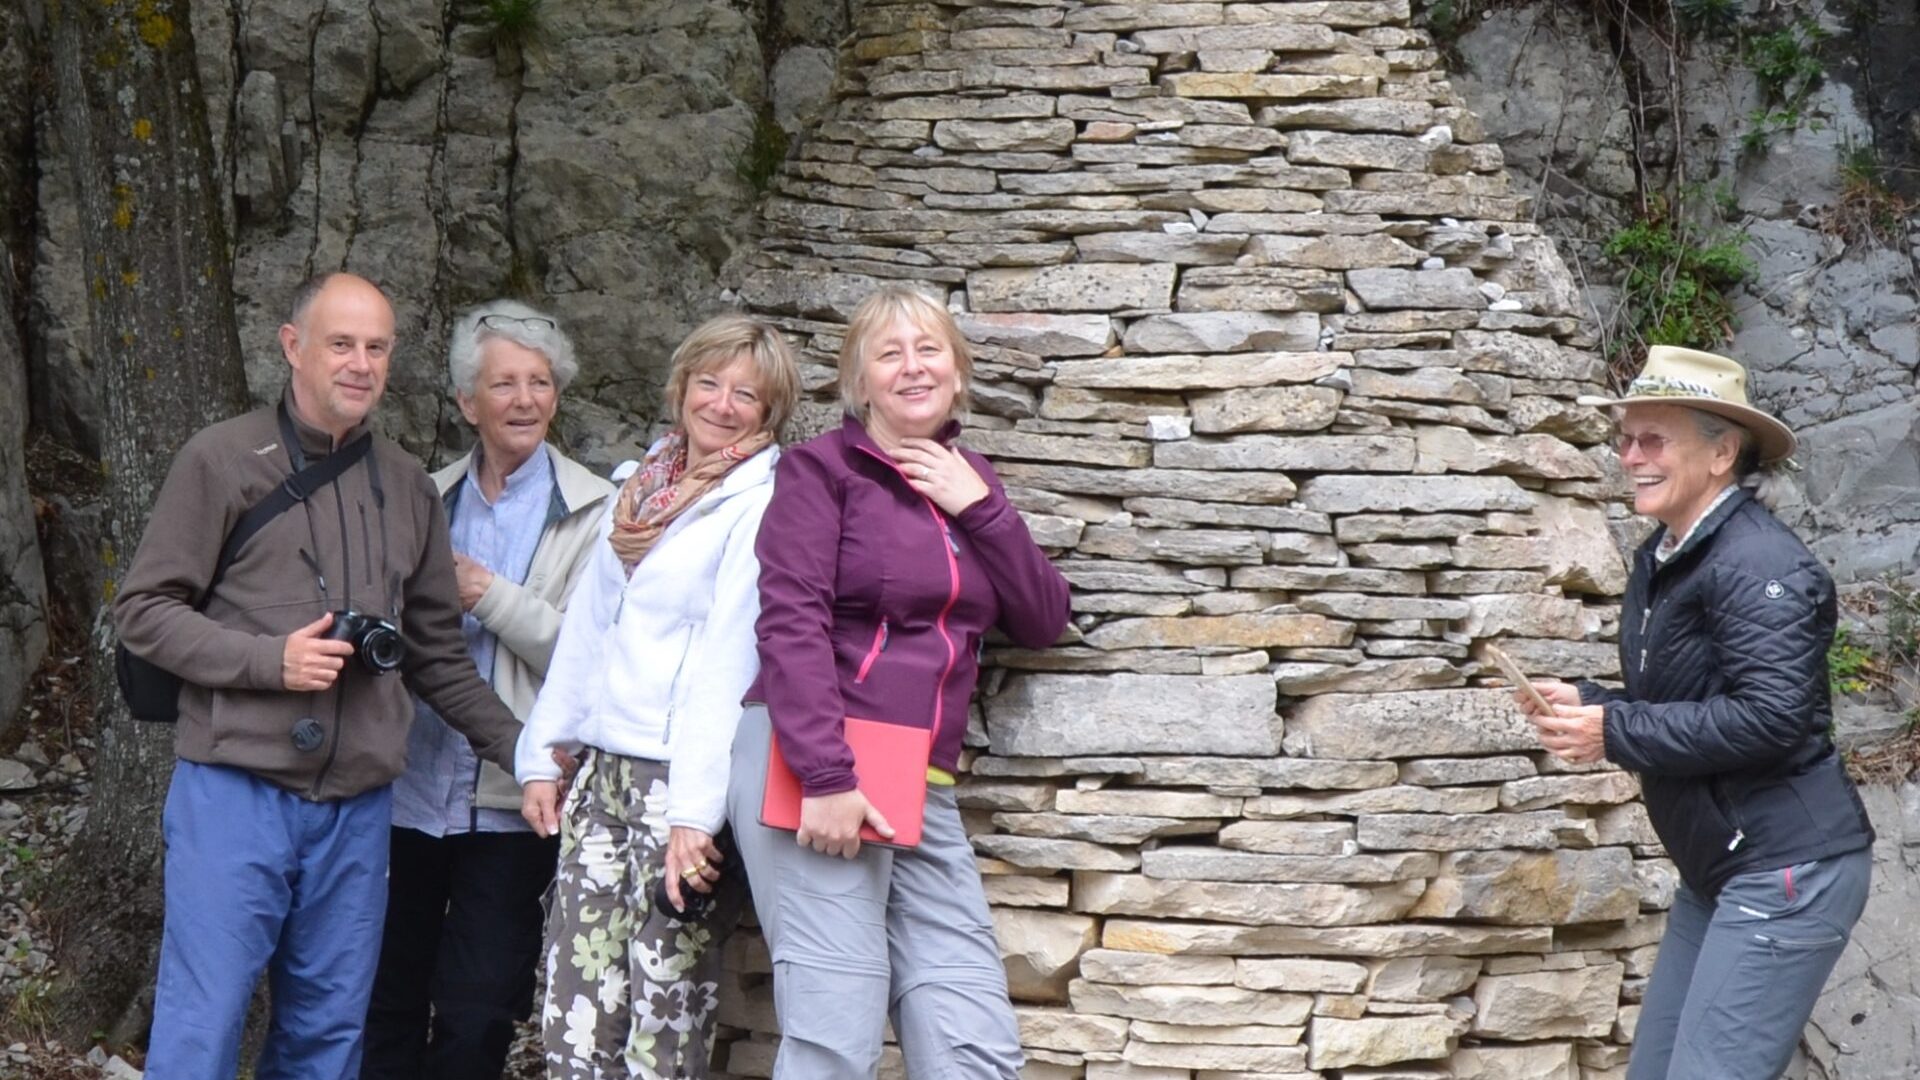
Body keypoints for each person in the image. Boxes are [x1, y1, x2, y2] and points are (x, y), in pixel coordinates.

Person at [114, 272, 524, 1079]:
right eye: (341, 343)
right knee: (205, 1019)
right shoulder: (223, 459)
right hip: (235, 790)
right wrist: (271, 661)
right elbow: (144, 610)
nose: (360, 364)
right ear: (293, 346)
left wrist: (529, 751)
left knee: (329, 1033)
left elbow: (436, 651)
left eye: (376, 347)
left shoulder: (406, 483)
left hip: (357, 807)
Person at [728, 287, 1071, 1078]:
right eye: (890, 354)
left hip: (924, 780)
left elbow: (1044, 617)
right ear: (860, 381)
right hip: (819, 760)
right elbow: (790, 625)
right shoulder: (821, 474)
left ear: (958, 371)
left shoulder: (970, 480)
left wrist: (981, 507)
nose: (913, 368)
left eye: (929, 350)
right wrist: (826, 774)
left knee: (970, 1033)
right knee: (835, 1035)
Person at [1518, 346, 1875, 1080]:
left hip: (1785, 869)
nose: (1630, 456)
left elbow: (1776, 719)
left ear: (1722, 453)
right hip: (1722, 866)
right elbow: (1690, 705)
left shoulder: (1759, 563)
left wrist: (1615, 731)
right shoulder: (1671, 554)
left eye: (1653, 440)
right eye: (1625, 439)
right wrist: (1592, 705)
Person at [515, 313, 800, 1078]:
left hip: (677, 780)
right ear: (681, 388)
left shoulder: (761, 504)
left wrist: (693, 817)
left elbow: (727, 662)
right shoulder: (639, 489)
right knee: (575, 1002)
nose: (722, 404)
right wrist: (543, 751)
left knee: (662, 1007)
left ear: (769, 415)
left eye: (748, 394)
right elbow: (589, 627)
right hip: (602, 771)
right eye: (709, 382)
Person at [361, 301, 615, 1079]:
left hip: (513, 799)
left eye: (540, 382)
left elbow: (594, 658)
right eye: (503, 384)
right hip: (405, 789)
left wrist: (488, 594)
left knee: (478, 1011)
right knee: (385, 1000)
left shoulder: (598, 510)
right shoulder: (418, 496)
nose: (526, 399)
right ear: (468, 403)